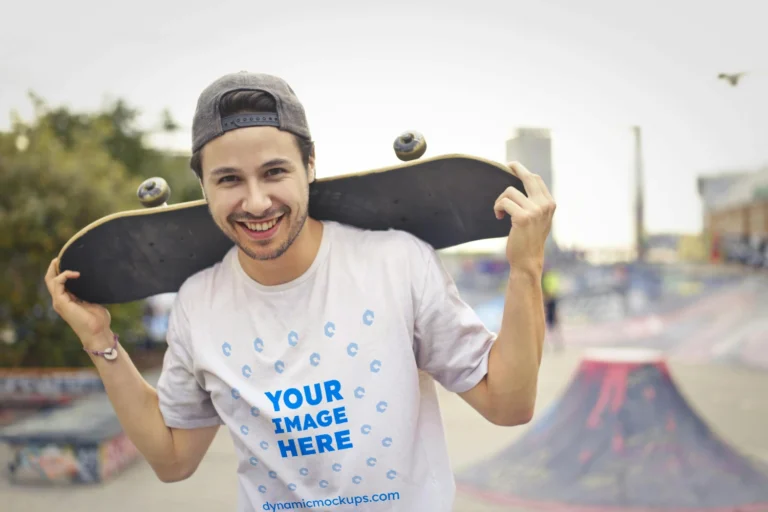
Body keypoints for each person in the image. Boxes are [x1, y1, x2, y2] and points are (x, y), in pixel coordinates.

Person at [45, 71, 556, 511]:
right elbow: (173, 459)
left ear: (310, 165)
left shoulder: (396, 263)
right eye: (228, 180)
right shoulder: (198, 304)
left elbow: (508, 405)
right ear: (203, 187)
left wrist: (525, 268)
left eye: (274, 172)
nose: (256, 201)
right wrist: (101, 343)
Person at [541, 266, 564, 351]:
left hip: (549, 302)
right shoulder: (544, 277)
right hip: (546, 302)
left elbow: (551, 291)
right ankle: (551, 345)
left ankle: (557, 344)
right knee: (547, 324)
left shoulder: (548, 277)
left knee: (553, 324)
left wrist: (547, 296)